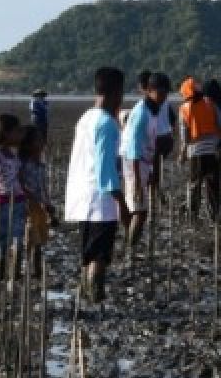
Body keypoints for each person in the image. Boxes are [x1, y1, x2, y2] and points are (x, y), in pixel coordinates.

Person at [65, 67, 129, 302]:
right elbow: (106, 167)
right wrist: (120, 201)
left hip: (83, 194)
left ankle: (85, 294)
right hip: (100, 198)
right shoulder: (106, 123)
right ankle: (95, 296)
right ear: (117, 92)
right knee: (100, 254)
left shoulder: (86, 118)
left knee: (89, 251)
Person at [120, 71, 170, 249]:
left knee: (139, 210)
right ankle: (130, 248)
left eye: (166, 93)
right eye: (160, 93)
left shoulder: (153, 110)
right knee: (140, 211)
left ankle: (130, 244)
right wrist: (138, 183)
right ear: (149, 91)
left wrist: (152, 171)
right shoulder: (141, 113)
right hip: (133, 161)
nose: (163, 97)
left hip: (143, 160)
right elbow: (133, 148)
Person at [0, 114, 26, 280]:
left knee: (17, 236)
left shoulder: (15, 156)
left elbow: (19, 177)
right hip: (0, 201)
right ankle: (0, 270)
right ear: (6, 133)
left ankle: (16, 271)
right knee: (0, 237)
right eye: (17, 131)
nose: (20, 135)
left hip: (18, 200)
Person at [178, 76, 221, 220]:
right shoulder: (211, 103)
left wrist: (182, 154)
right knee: (213, 185)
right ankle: (214, 215)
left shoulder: (184, 108)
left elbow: (184, 135)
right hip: (214, 151)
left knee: (194, 185)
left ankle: (193, 215)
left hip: (196, 152)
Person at [19, 124, 56, 279]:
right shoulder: (22, 164)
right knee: (29, 235)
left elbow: (43, 187)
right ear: (27, 145)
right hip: (28, 206)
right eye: (38, 140)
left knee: (40, 238)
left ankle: (37, 270)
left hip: (40, 206)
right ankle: (24, 267)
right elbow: (20, 184)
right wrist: (31, 197)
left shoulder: (40, 165)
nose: (42, 143)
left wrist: (48, 204)